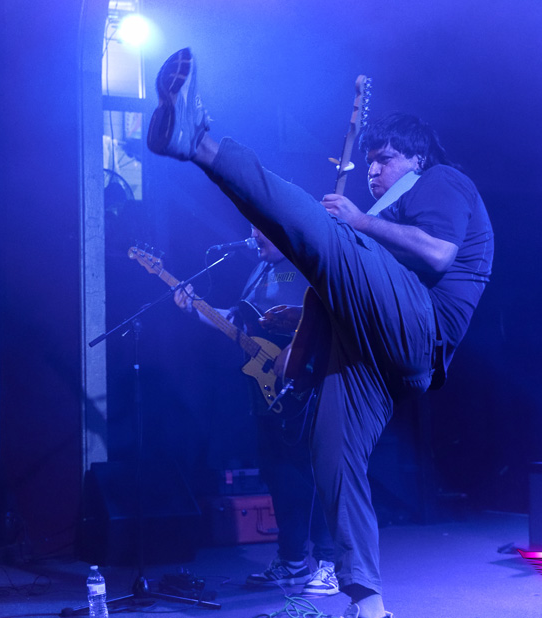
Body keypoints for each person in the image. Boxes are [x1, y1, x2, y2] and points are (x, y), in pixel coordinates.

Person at [147, 48, 493, 618]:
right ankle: (368, 601)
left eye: (383, 160)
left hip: (421, 327)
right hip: (379, 349)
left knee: (329, 234)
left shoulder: (442, 181)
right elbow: (336, 286)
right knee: (331, 452)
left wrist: (358, 221)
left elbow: (437, 255)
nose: (373, 171)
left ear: (417, 158)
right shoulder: (390, 212)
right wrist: (302, 346)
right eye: (372, 159)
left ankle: (201, 142)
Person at [174, 227, 337, 595]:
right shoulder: (260, 270)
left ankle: (330, 562)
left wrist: (295, 351)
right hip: (267, 392)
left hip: (307, 383)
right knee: (280, 474)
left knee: (318, 472)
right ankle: (293, 561)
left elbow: (330, 316)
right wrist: (194, 307)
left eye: (261, 230)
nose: (254, 236)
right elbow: (236, 322)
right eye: (251, 229)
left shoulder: (307, 266)